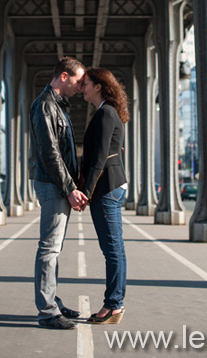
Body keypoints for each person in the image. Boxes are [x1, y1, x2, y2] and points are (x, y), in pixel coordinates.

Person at [30, 56, 87, 330]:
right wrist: (70, 188)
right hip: (52, 184)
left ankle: (52, 300)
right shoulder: (44, 106)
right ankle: (48, 312)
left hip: (57, 184)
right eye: (77, 81)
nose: (80, 86)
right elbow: (50, 152)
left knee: (54, 248)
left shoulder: (58, 107)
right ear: (63, 77)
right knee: (49, 247)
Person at [78, 68, 130, 324]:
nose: (81, 87)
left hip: (107, 187)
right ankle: (114, 303)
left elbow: (99, 157)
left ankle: (114, 305)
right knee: (112, 248)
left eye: (85, 83)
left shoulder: (106, 113)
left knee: (113, 249)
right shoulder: (106, 112)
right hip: (109, 185)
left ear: (98, 86)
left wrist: (86, 192)